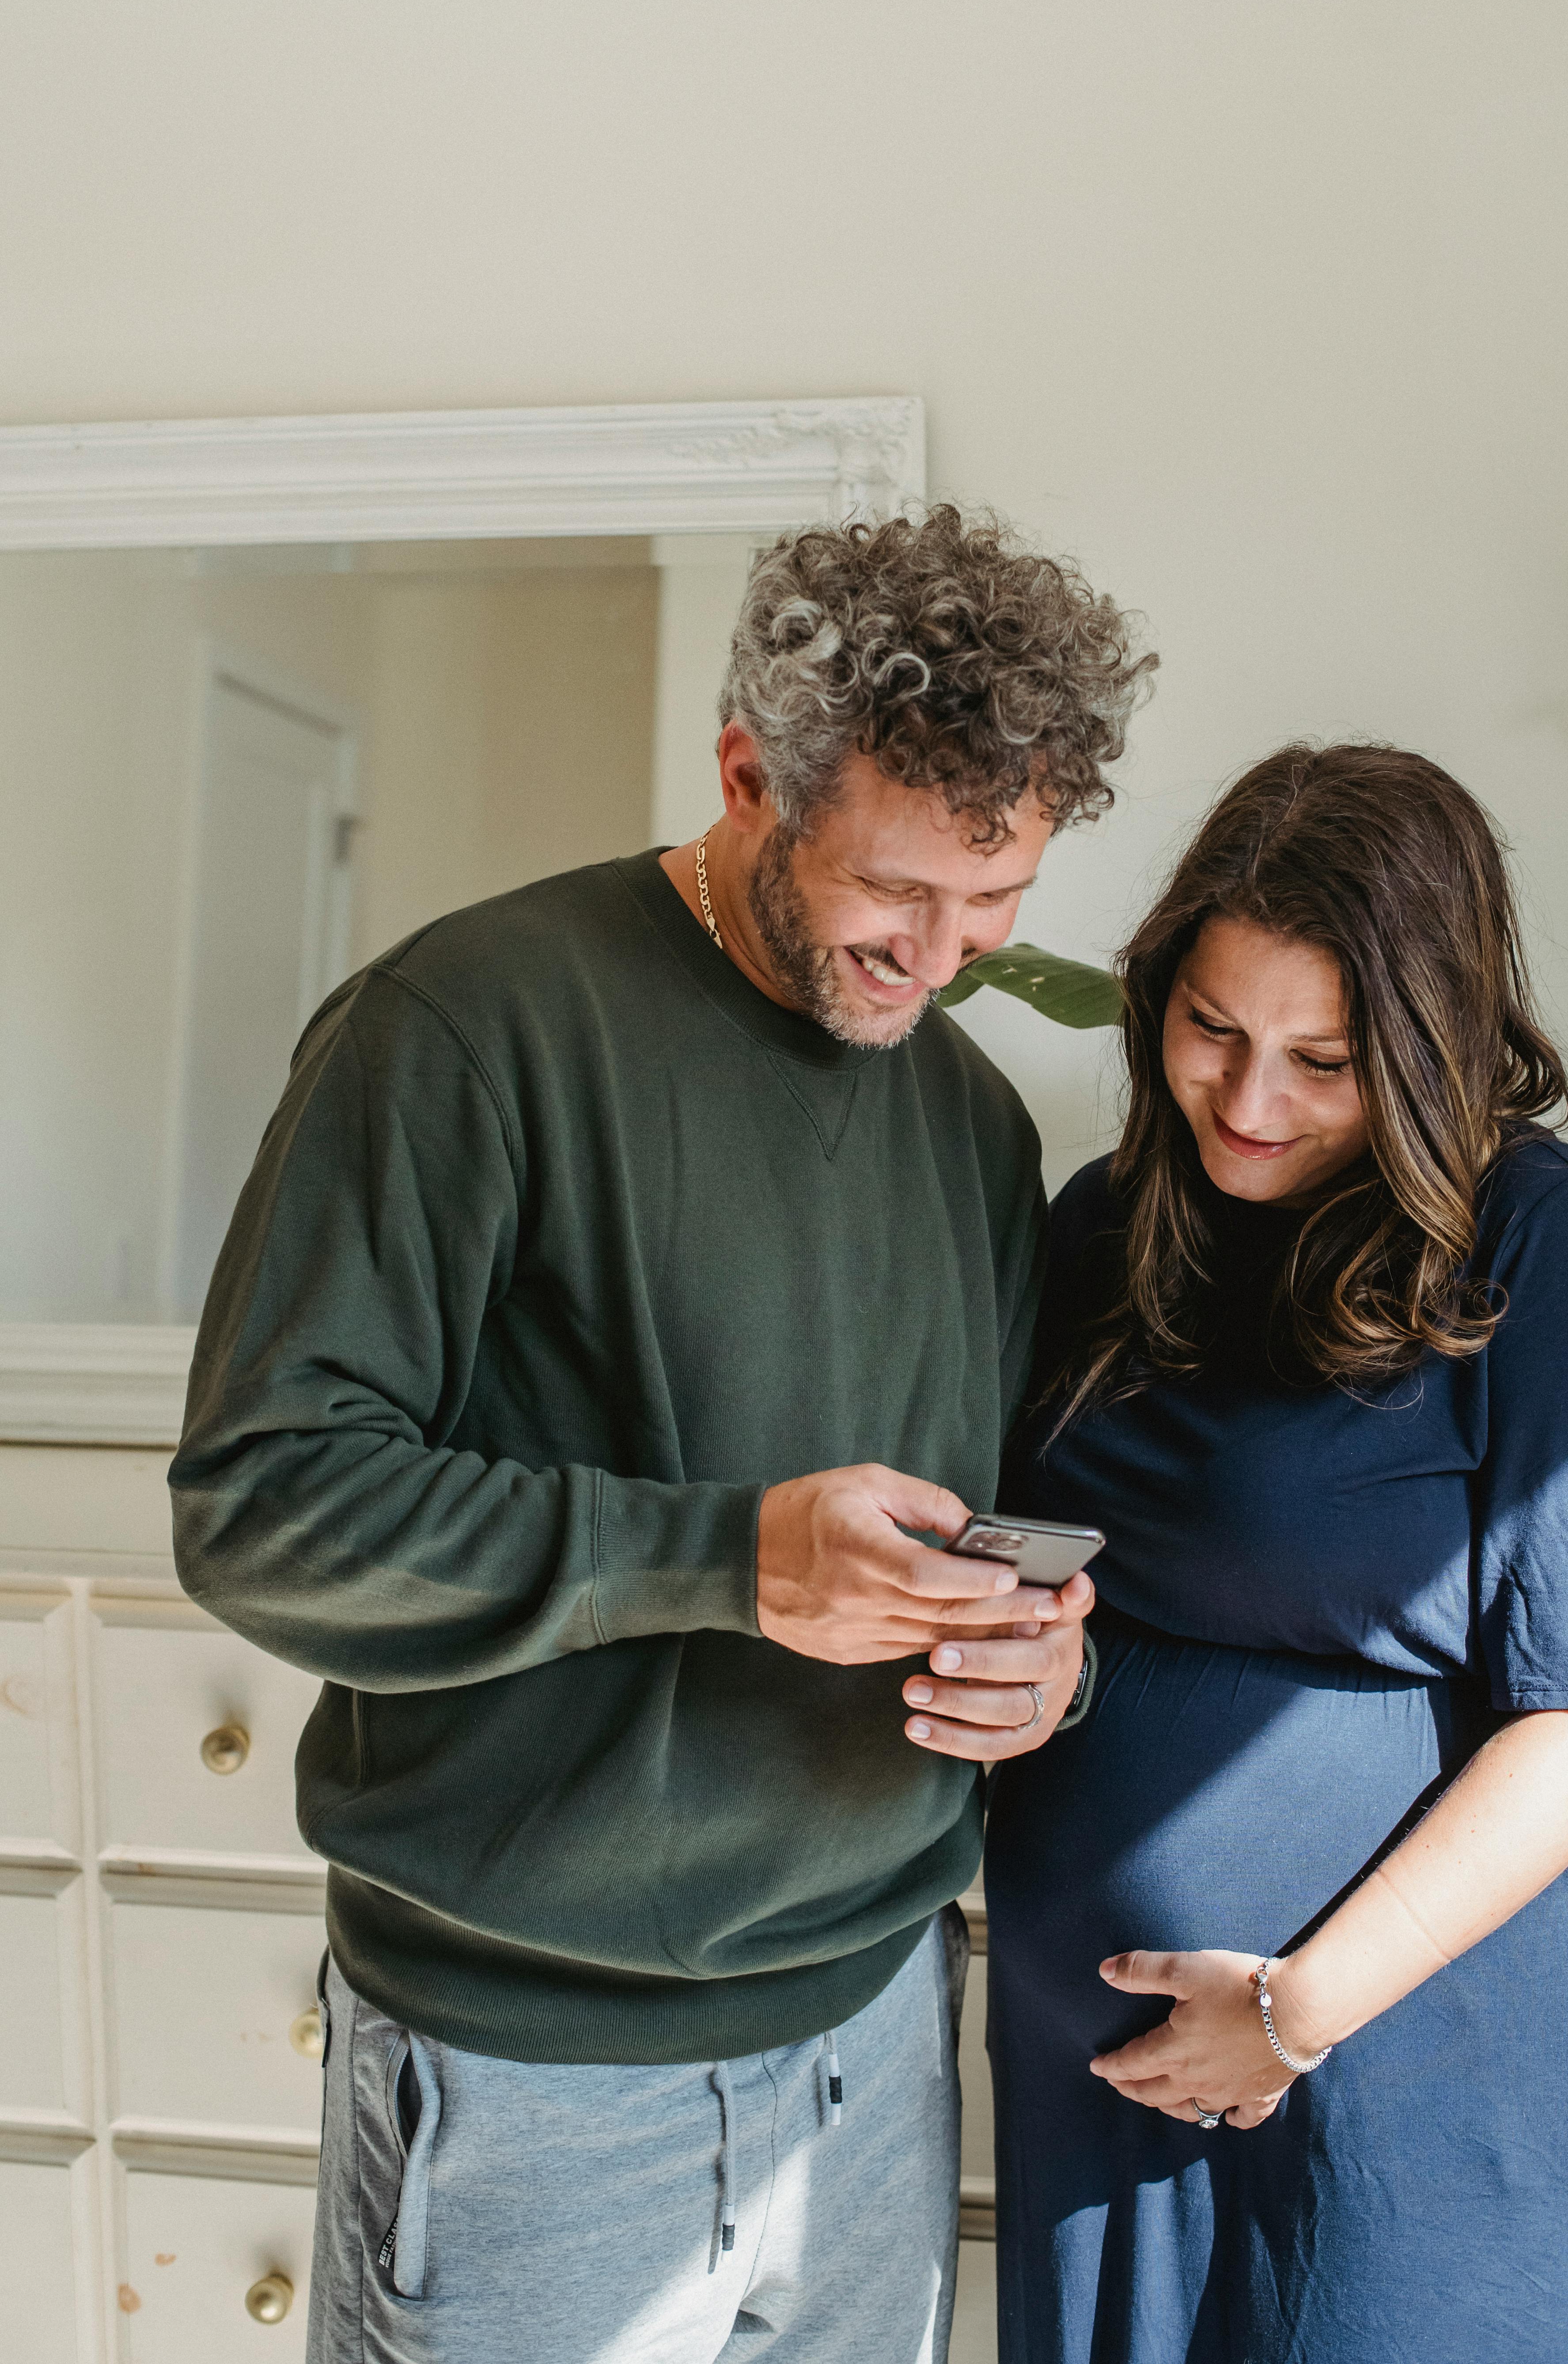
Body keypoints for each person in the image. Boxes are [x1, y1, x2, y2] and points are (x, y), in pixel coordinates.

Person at [167, 505, 1154, 2364]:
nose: (941, 959)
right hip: (532, 2072)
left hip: (875, 2037)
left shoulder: (969, 1129)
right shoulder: (464, 1029)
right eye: (895, 896)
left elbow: (985, 1538)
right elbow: (262, 1507)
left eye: (996, 901)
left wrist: (1042, 1679)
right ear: (745, 777)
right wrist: (722, 1558)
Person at [985, 742, 1568, 2364]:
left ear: (1427, 1052)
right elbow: (1070, 1578)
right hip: (1103, 2081)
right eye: (1213, 1031)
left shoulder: (1553, 1249)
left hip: (1413, 2065)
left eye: (1324, 1063)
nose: (1249, 1105)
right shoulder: (1106, 1226)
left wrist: (1291, 2012)